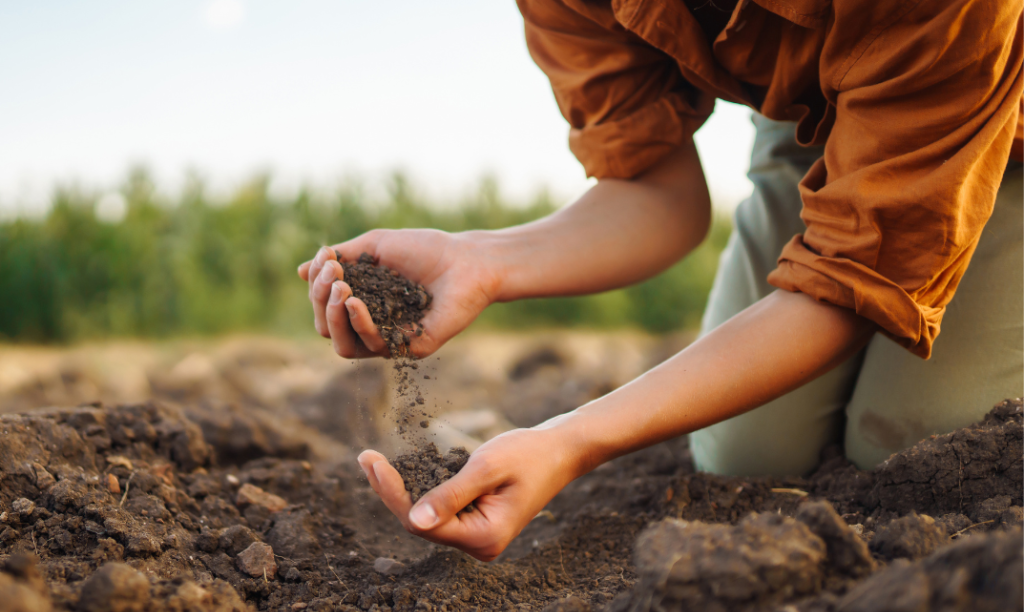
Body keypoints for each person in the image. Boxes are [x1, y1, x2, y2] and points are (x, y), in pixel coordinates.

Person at [298, 0, 1023, 561]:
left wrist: (571, 440)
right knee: (747, 458)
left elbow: (852, 278)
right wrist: (485, 260)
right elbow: (656, 193)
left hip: (993, 102)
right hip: (821, 113)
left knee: (915, 451)